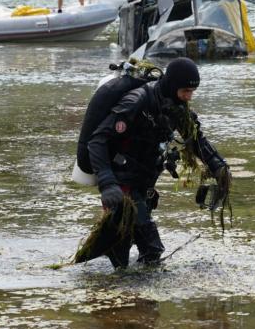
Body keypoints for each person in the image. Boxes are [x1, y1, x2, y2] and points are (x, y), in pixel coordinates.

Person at [84, 58, 230, 269]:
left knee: (124, 248)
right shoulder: (137, 101)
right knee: (151, 249)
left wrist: (218, 167)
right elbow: (97, 141)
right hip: (121, 185)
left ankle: (123, 293)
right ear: (172, 85)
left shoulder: (176, 107)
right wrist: (107, 183)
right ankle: (126, 295)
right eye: (185, 90)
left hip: (143, 185)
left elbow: (197, 140)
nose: (189, 96)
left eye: (192, 91)